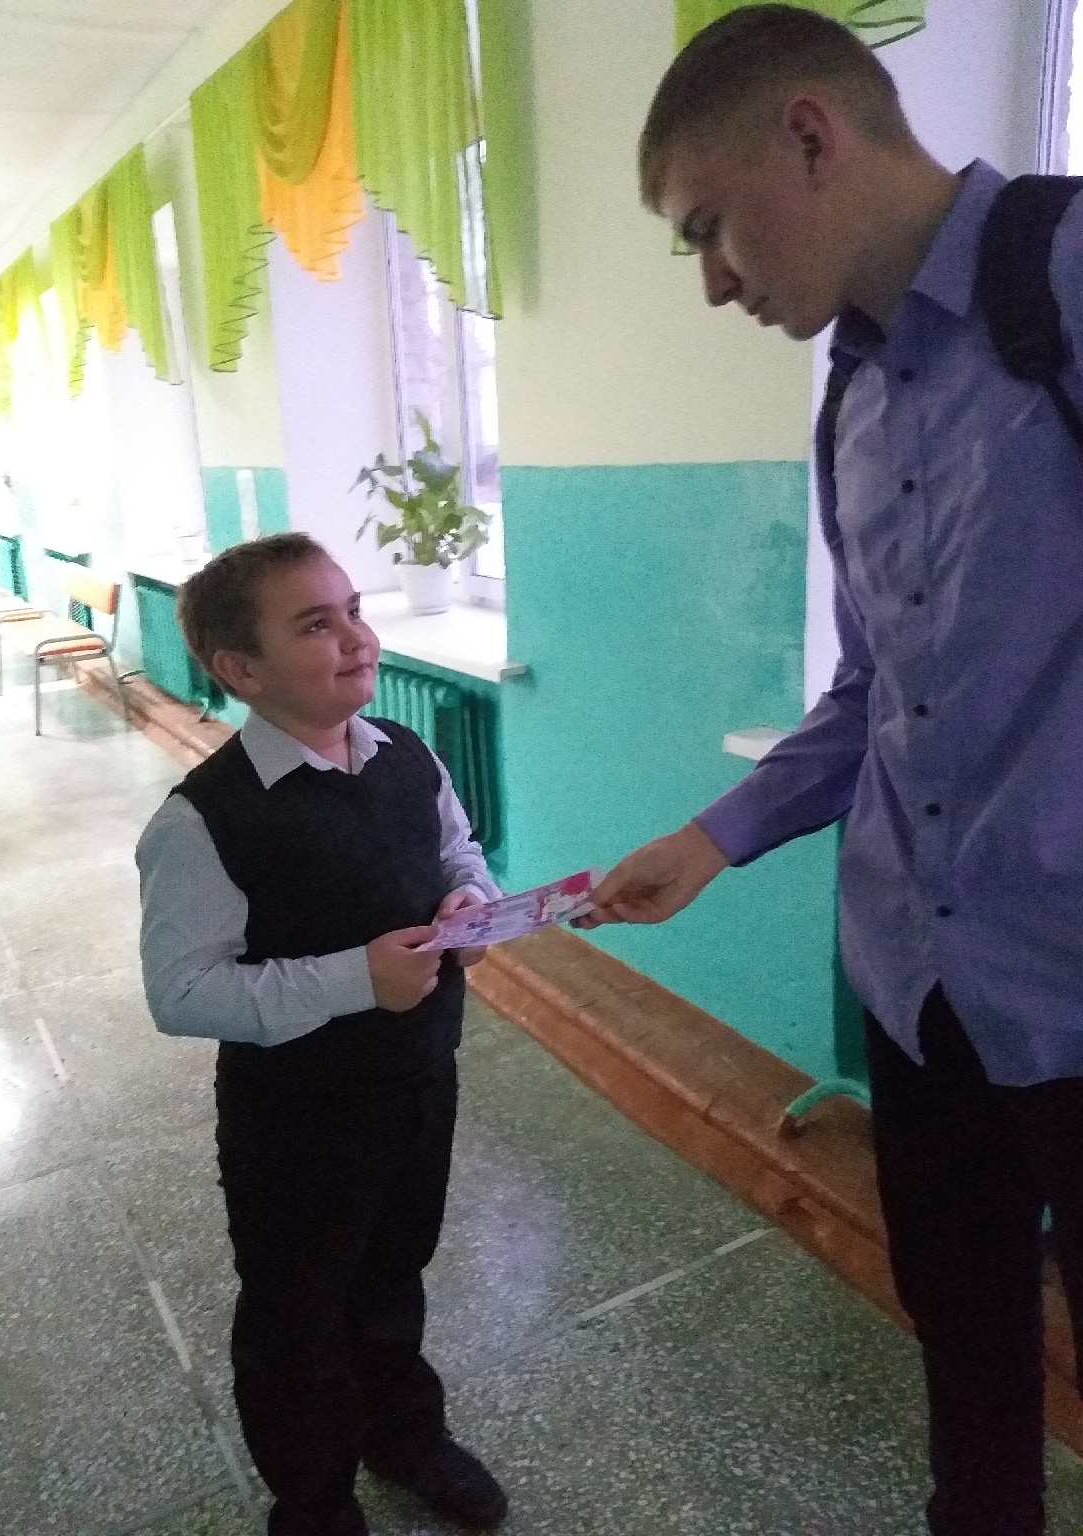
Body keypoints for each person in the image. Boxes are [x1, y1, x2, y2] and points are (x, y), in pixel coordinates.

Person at [581, 8, 1083, 1535]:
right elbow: (876, 692)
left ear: (810, 134)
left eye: (707, 229)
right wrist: (713, 838)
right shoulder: (851, 405)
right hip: (918, 987)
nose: (714, 280)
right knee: (966, 1352)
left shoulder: (1063, 278)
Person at [136, 533, 507, 1536]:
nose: (355, 637)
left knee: (392, 1272)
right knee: (297, 1312)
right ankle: (312, 1497)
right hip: (295, 1122)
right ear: (241, 670)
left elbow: (459, 852)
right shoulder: (203, 822)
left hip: (418, 1081)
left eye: (352, 610)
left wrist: (472, 900)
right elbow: (182, 992)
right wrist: (355, 980)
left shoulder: (406, 755)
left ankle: (404, 1436)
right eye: (314, 624)